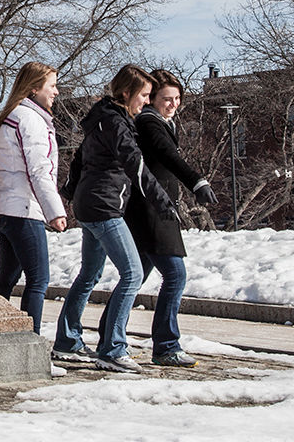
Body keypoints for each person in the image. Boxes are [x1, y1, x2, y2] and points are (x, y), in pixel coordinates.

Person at [52, 64, 179, 373]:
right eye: (145, 95)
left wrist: (70, 191)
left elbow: (80, 158)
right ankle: (112, 348)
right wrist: (162, 202)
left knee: (90, 274)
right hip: (104, 206)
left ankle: (67, 341)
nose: (147, 102)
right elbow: (134, 164)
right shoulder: (115, 122)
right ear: (126, 93)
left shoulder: (104, 117)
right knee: (133, 273)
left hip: (91, 203)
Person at [102, 68, 218, 367]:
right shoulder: (150, 123)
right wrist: (198, 182)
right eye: (167, 98)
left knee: (135, 277)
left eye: (178, 98)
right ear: (151, 98)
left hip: (153, 208)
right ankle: (166, 345)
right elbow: (170, 157)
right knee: (175, 275)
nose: (174, 104)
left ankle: (107, 336)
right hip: (152, 211)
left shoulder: (160, 121)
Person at [0, 62, 68, 334]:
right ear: (34, 88)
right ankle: (30, 344)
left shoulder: (11, 115)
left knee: (7, 278)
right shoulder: (30, 119)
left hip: (3, 207)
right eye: (52, 86)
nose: (56, 92)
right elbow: (38, 169)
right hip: (22, 208)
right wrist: (55, 211)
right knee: (38, 279)